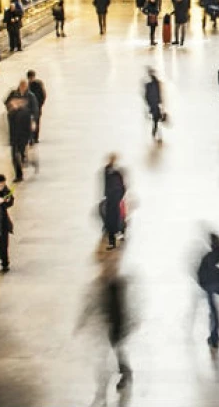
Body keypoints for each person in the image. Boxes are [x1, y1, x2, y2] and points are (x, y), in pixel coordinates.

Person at [76, 253, 133, 395]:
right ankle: (103, 388)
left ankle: (124, 373)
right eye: (106, 267)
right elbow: (90, 303)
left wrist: (131, 321)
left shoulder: (121, 283)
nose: (109, 270)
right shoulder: (99, 284)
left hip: (118, 324)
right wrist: (82, 320)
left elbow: (130, 304)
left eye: (112, 267)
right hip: (105, 325)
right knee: (105, 357)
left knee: (117, 352)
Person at [4, 82, 36, 182]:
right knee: (14, 154)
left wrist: (33, 121)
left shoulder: (30, 97)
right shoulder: (13, 96)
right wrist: (12, 105)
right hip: (14, 134)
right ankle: (18, 175)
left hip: (23, 133)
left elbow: (34, 110)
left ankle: (23, 157)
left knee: (21, 150)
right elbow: (6, 103)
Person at [100, 155, 127, 250]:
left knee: (115, 217)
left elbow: (122, 185)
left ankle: (116, 236)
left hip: (114, 198)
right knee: (114, 217)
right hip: (113, 198)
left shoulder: (114, 172)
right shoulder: (110, 171)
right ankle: (115, 237)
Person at [26, 69, 47, 142]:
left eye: (32, 77)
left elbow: (43, 95)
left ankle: (35, 137)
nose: (31, 79)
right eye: (30, 78)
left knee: (36, 121)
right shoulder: (27, 85)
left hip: (37, 107)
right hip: (30, 107)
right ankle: (32, 136)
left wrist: (40, 105)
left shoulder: (38, 84)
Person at [144, 69, 163, 141]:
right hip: (155, 105)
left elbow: (146, 96)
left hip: (153, 105)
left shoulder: (148, 85)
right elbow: (159, 95)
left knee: (156, 120)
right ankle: (156, 134)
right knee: (156, 120)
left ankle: (155, 133)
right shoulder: (156, 83)